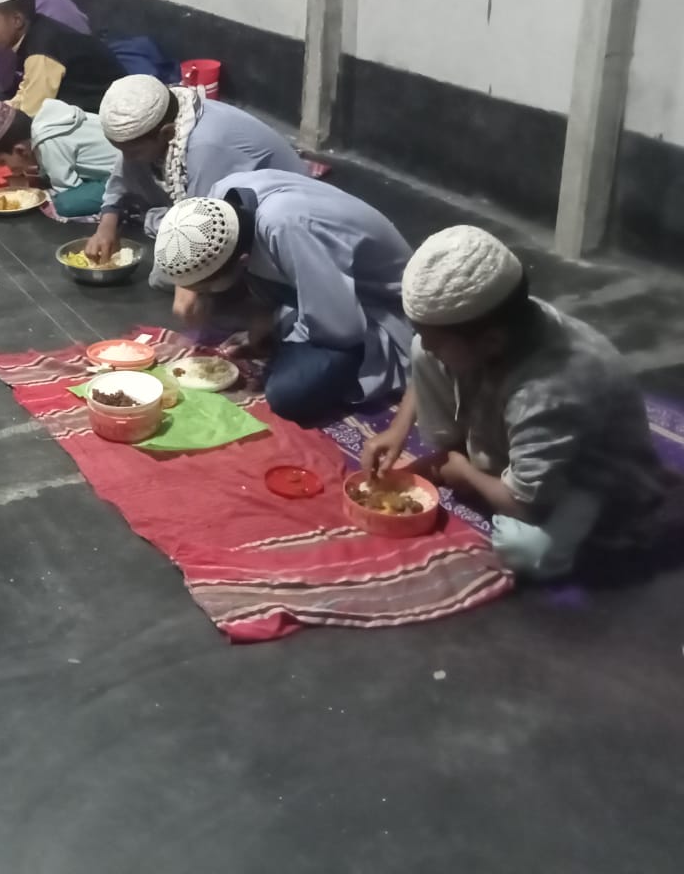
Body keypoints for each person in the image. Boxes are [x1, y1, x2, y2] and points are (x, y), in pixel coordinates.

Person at [363, 226, 675, 579]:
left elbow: (525, 506)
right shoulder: (500, 320)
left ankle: (473, 467)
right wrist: (397, 429)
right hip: (529, 434)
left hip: (590, 477)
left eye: (435, 338)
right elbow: (435, 349)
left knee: (526, 550)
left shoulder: (547, 391)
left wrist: (465, 474)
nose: (428, 345)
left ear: (492, 342)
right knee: (425, 351)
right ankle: (472, 461)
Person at [154, 172, 413, 424]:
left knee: (289, 393)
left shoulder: (287, 228)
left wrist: (274, 323)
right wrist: (193, 290)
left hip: (371, 306)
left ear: (244, 261)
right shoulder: (220, 200)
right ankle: (280, 325)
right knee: (211, 307)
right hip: (314, 281)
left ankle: (292, 332)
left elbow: (343, 329)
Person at [85, 75, 308, 271]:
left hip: (284, 217)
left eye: (133, 151)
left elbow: (200, 236)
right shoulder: (168, 119)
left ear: (167, 133)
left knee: (170, 274)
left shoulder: (206, 148)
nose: (127, 158)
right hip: (211, 188)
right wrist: (106, 227)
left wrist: (153, 222)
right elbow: (121, 176)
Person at [0, 0, 123, 115]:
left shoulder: (42, 50)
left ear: (17, 20)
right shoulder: (37, 33)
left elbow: (31, 113)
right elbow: (25, 94)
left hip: (110, 115)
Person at [0, 96, 117, 218]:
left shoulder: (48, 142)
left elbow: (69, 188)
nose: (7, 168)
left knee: (64, 204)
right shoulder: (42, 124)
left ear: (21, 151)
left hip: (121, 176)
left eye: (3, 161)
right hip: (117, 165)